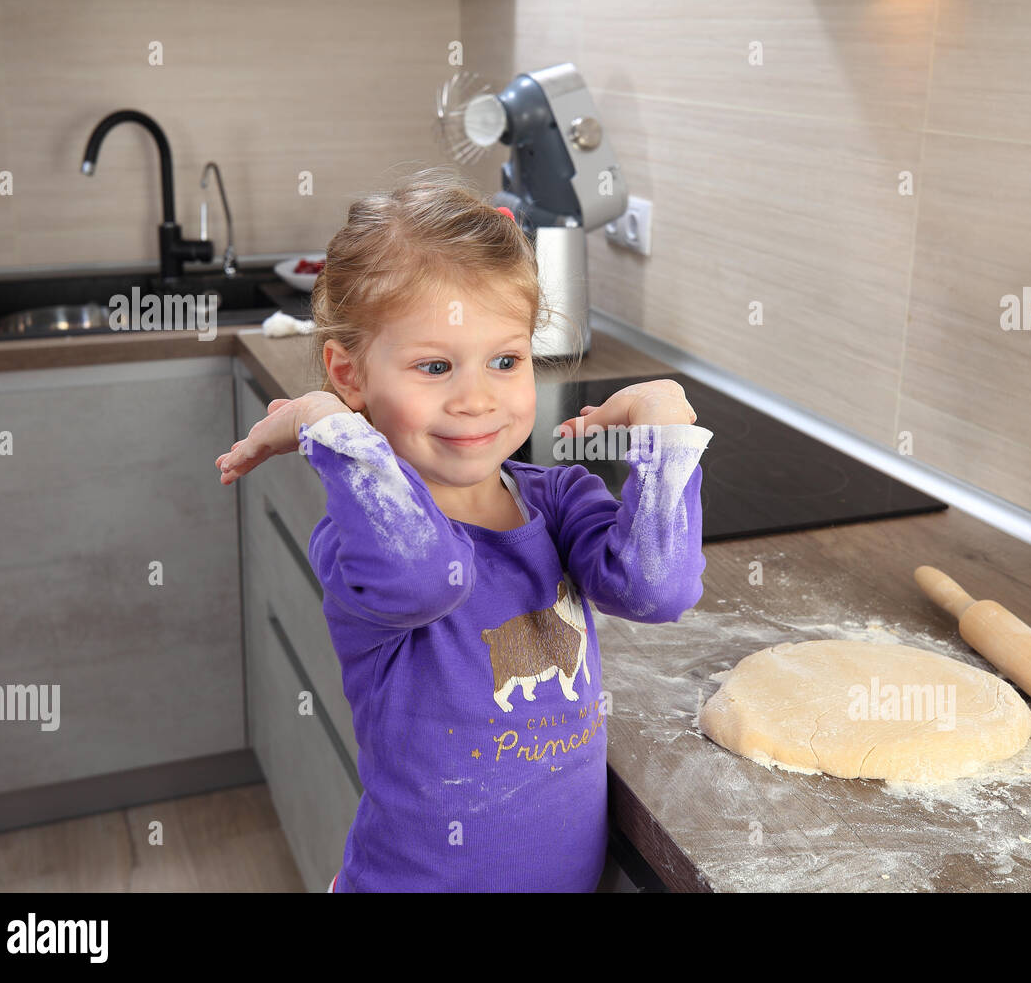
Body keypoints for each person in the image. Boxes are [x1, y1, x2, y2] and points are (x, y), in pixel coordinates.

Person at [215, 168, 713, 891]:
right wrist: (327, 423)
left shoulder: (560, 501)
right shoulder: (364, 543)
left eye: (505, 360)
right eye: (436, 366)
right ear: (350, 376)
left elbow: (658, 590)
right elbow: (427, 577)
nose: (477, 398)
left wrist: (665, 424)